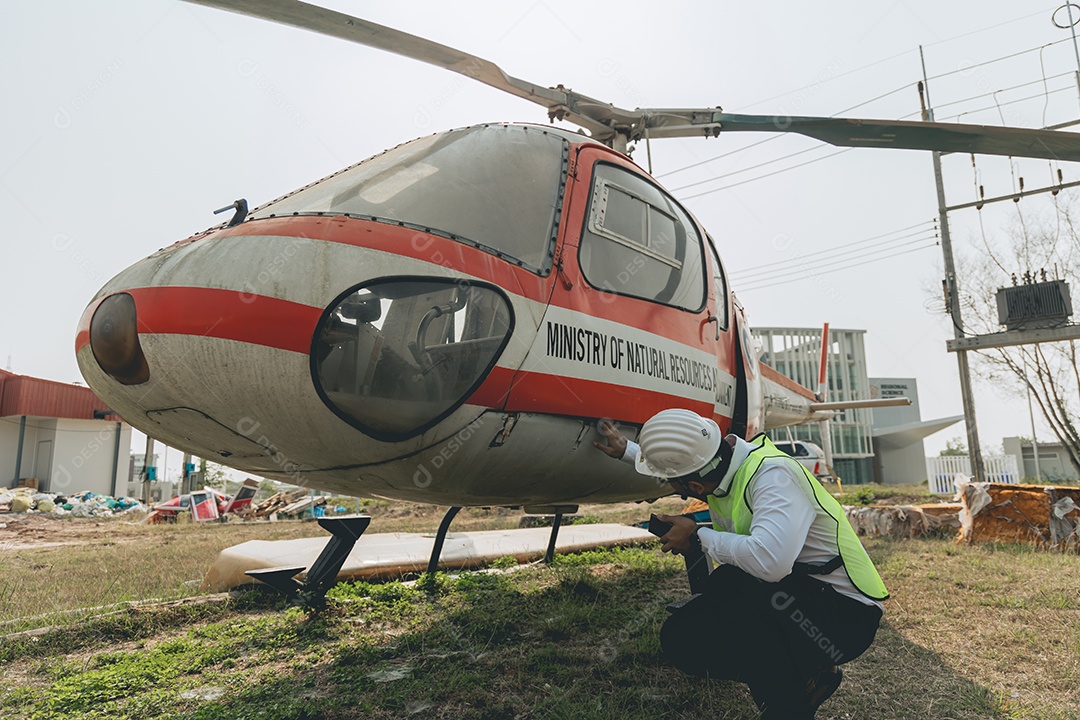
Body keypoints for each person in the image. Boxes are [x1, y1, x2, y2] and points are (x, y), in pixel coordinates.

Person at [594, 410, 887, 719]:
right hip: (805, 600)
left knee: (736, 590)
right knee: (684, 637)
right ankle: (806, 675)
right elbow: (687, 463)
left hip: (844, 619)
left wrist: (697, 536)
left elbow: (771, 564)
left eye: (676, 488)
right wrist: (628, 450)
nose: (673, 491)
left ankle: (787, 708)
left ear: (694, 487)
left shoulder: (773, 477)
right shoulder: (724, 466)